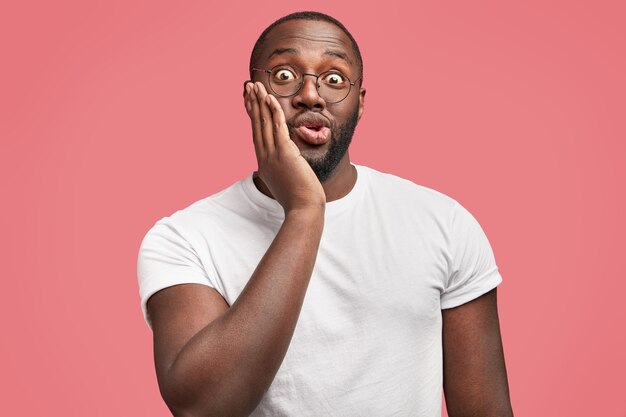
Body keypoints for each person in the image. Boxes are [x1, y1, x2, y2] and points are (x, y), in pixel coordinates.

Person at [137, 11, 514, 417]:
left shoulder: (444, 224)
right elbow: (202, 408)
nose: (311, 95)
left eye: (334, 79)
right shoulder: (184, 238)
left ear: (360, 103)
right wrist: (304, 210)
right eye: (284, 75)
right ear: (251, 95)